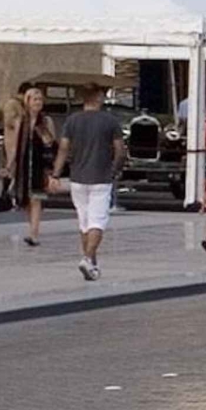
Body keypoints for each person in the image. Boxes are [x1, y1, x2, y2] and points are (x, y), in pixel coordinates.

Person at [50, 82, 124, 280]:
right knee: (97, 222)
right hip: (101, 177)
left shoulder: (72, 121)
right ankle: (87, 257)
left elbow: (63, 149)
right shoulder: (110, 121)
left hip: (78, 177)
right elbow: (119, 150)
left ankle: (92, 265)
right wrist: (114, 170)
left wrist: (56, 174)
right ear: (98, 97)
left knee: (84, 223)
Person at [12, 88, 55, 247]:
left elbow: (51, 144)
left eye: (40, 99)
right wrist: (10, 164)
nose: (37, 102)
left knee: (36, 198)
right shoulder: (20, 121)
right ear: (27, 102)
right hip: (24, 165)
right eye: (34, 99)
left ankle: (34, 234)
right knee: (27, 201)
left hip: (40, 165)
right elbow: (15, 146)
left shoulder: (45, 122)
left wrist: (51, 170)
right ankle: (32, 228)